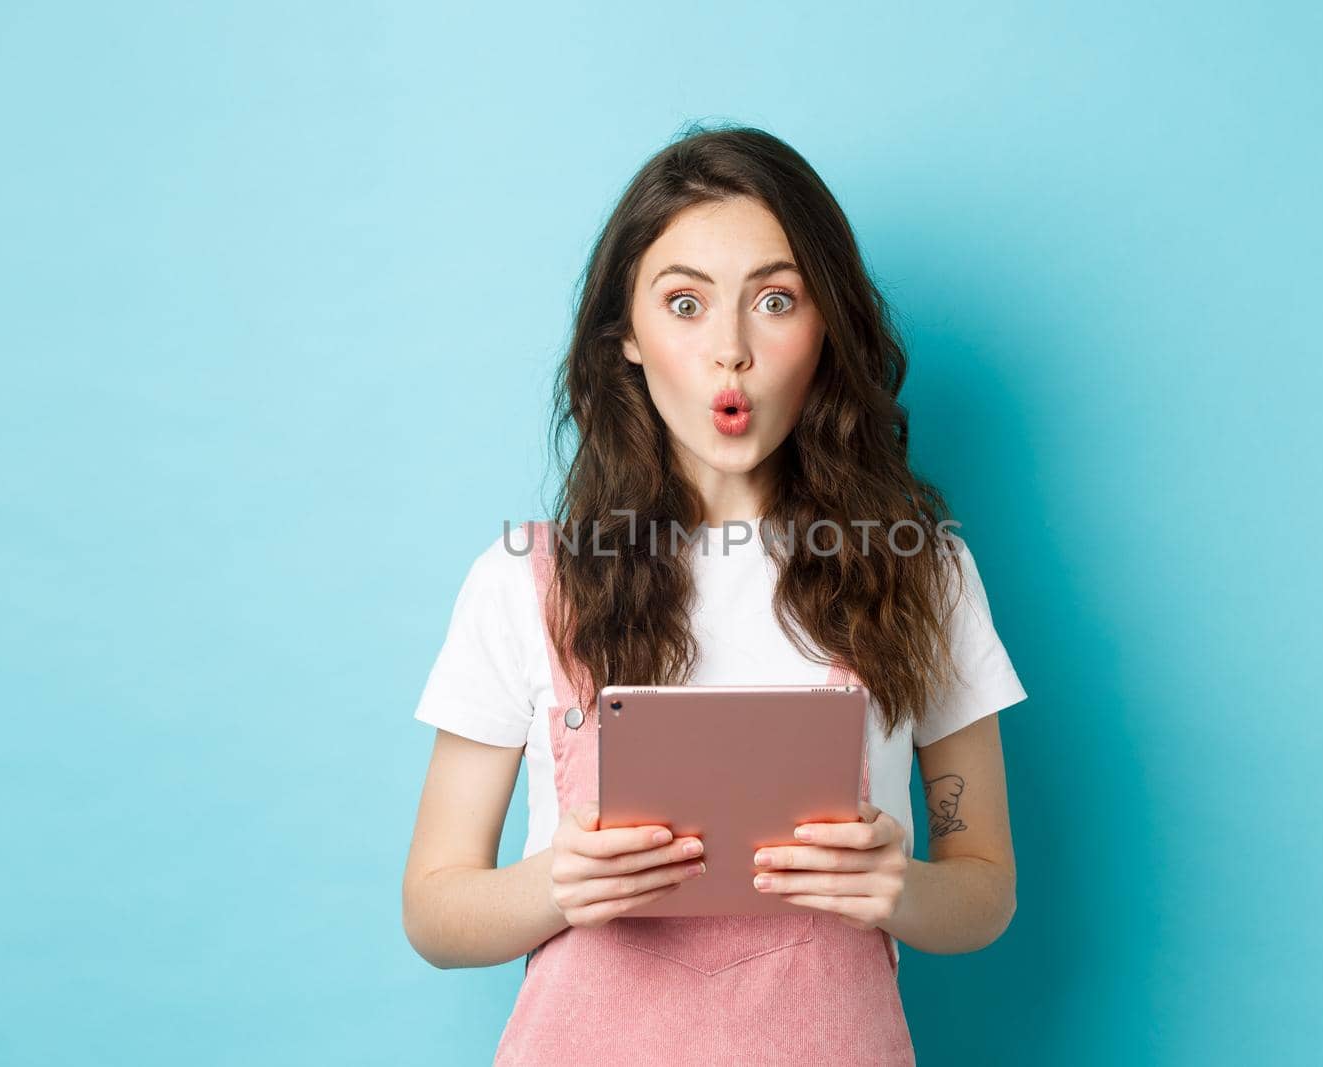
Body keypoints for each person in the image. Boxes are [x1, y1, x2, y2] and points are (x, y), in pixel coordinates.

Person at [401, 123, 1029, 1065]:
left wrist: (898, 885)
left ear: (827, 332)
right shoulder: (523, 581)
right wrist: (555, 886)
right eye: (685, 304)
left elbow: (984, 887)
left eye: (775, 300)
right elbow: (433, 907)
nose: (730, 350)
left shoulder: (923, 572)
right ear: (627, 339)